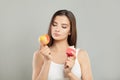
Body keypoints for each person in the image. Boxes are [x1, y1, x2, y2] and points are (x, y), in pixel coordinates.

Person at [32, 9, 93, 80]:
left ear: (70, 31)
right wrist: (47, 61)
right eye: (54, 25)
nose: (57, 29)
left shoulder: (81, 55)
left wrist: (69, 73)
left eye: (63, 26)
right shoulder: (39, 54)